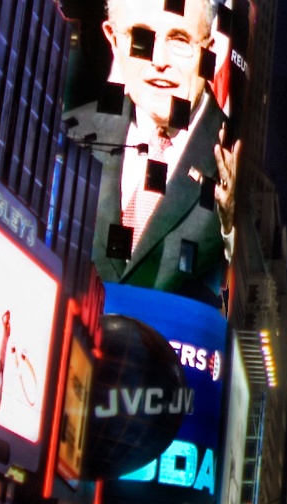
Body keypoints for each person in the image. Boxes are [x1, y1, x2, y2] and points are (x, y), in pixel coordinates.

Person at [89, 0, 236, 297]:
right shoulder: (71, 135)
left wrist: (234, 226)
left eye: (179, 40)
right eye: (141, 37)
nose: (159, 60)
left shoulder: (237, 164)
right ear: (114, 41)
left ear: (210, 51)